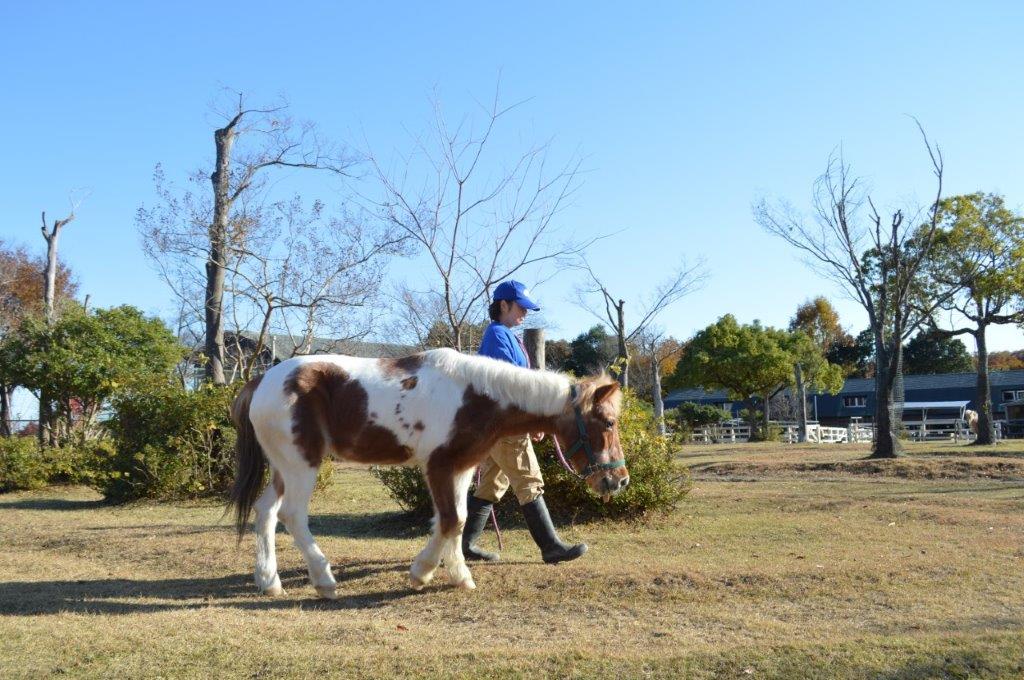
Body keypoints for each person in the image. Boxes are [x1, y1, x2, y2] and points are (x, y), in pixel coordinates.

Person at [462, 280, 588, 564]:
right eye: (521, 307)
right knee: (530, 481)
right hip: (505, 425)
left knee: (492, 485)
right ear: (503, 305)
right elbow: (512, 385)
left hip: (495, 425)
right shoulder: (497, 335)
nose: (525, 314)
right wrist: (533, 422)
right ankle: (551, 547)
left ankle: (464, 546)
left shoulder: (504, 335)